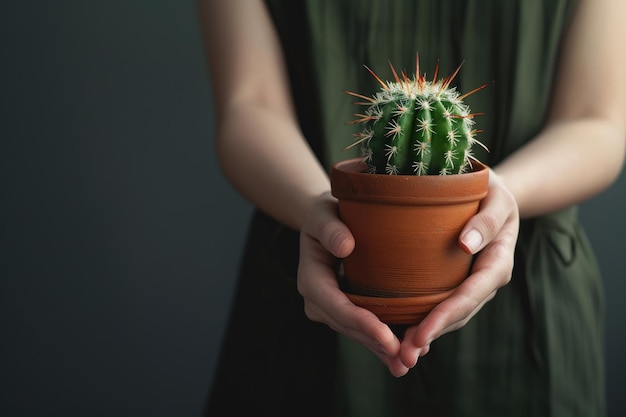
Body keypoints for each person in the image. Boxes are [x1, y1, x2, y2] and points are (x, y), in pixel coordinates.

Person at [198, 0, 626, 415]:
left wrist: (501, 197)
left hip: (527, 306)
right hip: (314, 286)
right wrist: (317, 206)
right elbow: (248, 104)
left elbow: (596, 120)